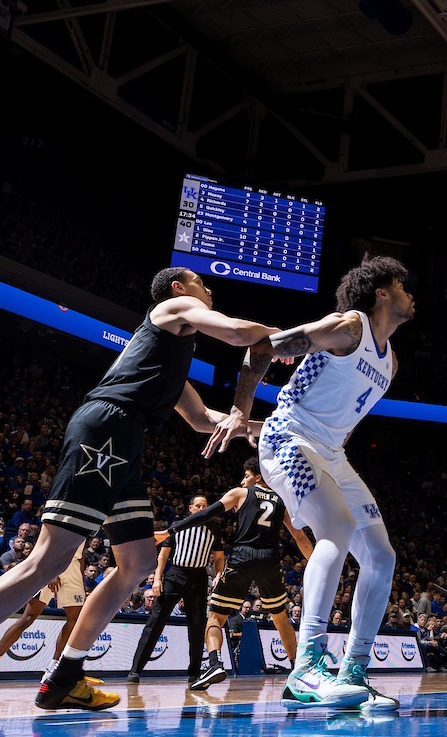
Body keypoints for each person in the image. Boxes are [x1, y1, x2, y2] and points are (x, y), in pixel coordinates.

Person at [0, 266, 283, 721]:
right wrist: (285, 338)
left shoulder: (166, 358)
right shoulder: (172, 308)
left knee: (135, 563)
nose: (208, 289)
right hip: (106, 431)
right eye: (201, 282)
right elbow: (238, 333)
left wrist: (270, 427)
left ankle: (65, 677)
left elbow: (200, 420)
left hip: (124, 441)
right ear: (178, 289)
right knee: (48, 561)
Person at [228, 255, 414, 710]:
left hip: (331, 451)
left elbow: (346, 421)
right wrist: (240, 412)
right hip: (289, 435)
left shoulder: (391, 365)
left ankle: (353, 671)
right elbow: (265, 347)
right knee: (336, 528)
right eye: (402, 285)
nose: (411, 294)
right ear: (382, 293)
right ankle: (307, 669)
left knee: (382, 557)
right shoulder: (348, 326)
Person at [174, 457, 314, 690]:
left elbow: (205, 514)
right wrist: (321, 566)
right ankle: (297, 669)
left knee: (216, 617)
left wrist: (172, 529)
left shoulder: (240, 493)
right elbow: (301, 539)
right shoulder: (282, 500)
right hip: (269, 560)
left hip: (241, 557)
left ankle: (215, 664)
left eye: (246, 475)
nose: (242, 480)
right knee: (280, 616)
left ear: (257, 476)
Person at [127, 494, 222, 683]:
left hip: (199, 578)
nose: (202, 509)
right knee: (155, 622)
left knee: (197, 627)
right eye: (198, 506)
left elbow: (219, 558)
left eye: (205, 506)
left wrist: (219, 575)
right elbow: (163, 555)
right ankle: (135, 670)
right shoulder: (178, 526)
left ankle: (194, 672)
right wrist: (157, 579)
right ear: (191, 508)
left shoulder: (214, 529)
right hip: (175, 575)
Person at [0, 544, 89, 686]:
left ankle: (53, 667)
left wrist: (82, 581)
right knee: (28, 618)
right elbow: (49, 543)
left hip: (73, 571)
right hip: (50, 566)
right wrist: (53, 571)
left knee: (74, 620)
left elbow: (80, 553)